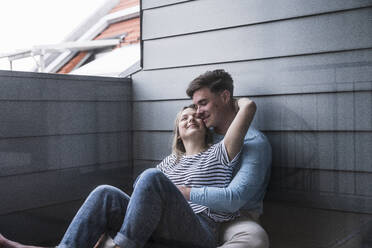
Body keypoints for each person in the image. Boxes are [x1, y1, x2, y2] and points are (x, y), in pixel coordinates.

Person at [0, 98, 257, 248]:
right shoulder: (168, 164)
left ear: (206, 125)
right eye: (184, 118)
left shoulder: (219, 152)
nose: (191, 119)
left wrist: (228, 101)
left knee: (149, 178)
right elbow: (140, 207)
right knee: (106, 193)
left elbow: (249, 108)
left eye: (197, 116)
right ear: (177, 131)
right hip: (158, 229)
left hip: (199, 232)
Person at [180, 69, 272, 248]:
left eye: (203, 103)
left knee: (255, 239)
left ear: (224, 97)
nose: (198, 112)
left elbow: (234, 199)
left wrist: (184, 192)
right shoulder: (201, 135)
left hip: (235, 218)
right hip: (195, 213)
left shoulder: (254, 142)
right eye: (196, 106)